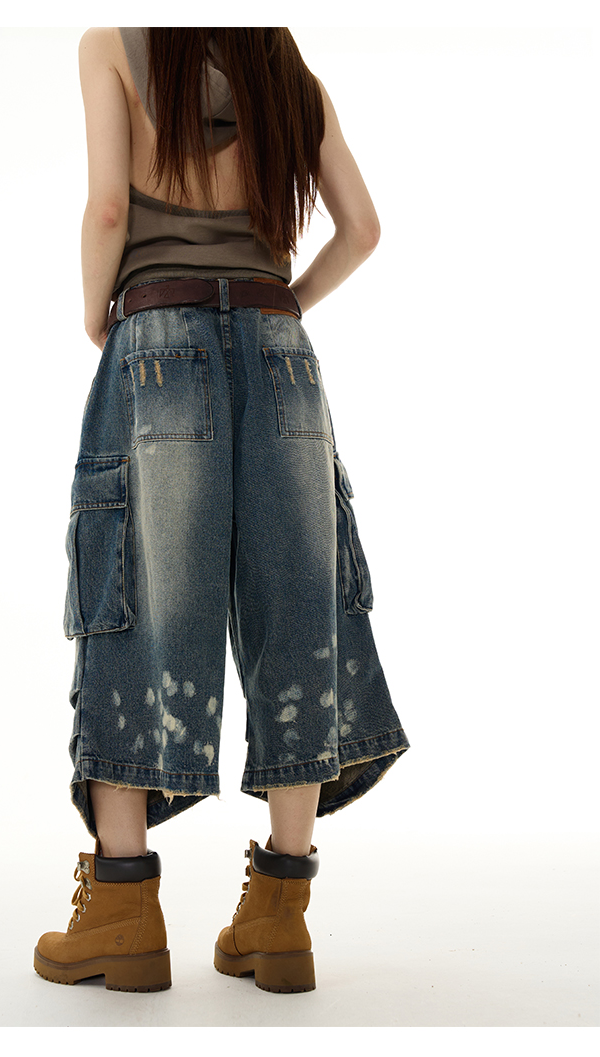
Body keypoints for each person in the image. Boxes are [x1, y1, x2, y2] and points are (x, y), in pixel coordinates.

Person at [34, 26, 410, 995]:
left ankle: (123, 908)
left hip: (157, 334)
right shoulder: (285, 68)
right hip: (281, 348)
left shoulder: (112, 43)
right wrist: (282, 302)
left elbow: (109, 206)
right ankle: (280, 912)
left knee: (135, 600)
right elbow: (363, 228)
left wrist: (97, 313)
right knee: (298, 611)